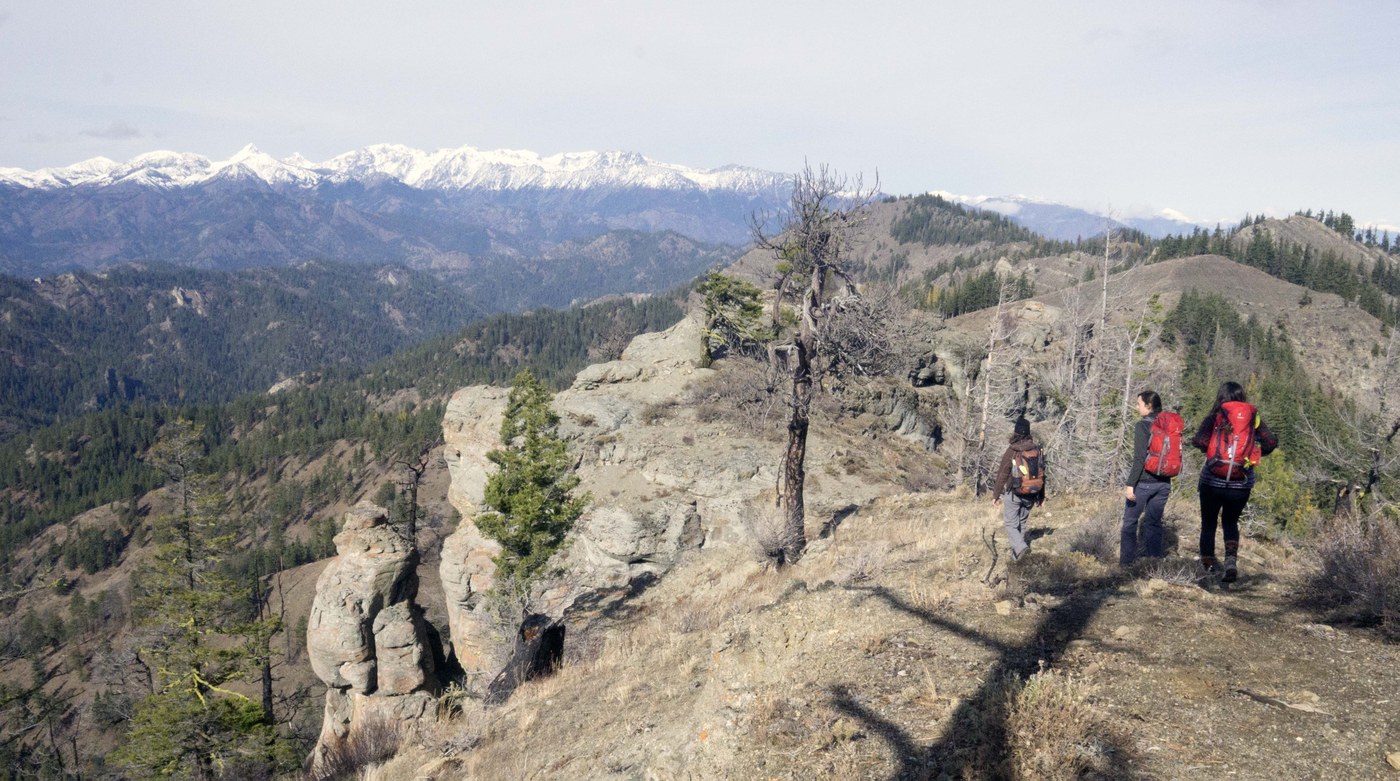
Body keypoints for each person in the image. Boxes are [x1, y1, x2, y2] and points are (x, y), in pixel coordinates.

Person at [1190, 381, 1277, 582]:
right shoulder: (1253, 417)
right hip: (1241, 482)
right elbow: (1270, 442)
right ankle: (1230, 563)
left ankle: (1208, 567)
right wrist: (1254, 450)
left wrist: (1213, 449)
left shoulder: (1215, 416)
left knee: (1209, 523)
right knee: (1230, 522)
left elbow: (1199, 441)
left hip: (1212, 481)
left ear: (1221, 397)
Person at [1121, 390, 1171, 566]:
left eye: (1139, 404)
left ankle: (1126, 565)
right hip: (1164, 483)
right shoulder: (1168, 424)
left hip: (1144, 482)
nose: (1136, 407)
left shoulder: (1142, 426)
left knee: (1129, 523)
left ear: (1149, 406)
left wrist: (1130, 484)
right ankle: (1153, 564)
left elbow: (1139, 459)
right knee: (1154, 523)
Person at [992, 418, 1045, 562]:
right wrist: (1041, 497)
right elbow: (1042, 474)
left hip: (1014, 493)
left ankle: (1021, 549)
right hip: (1032, 494)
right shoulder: (1036, 450)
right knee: (1021, 524)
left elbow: (1002, 474)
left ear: (1015, 432)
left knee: (1010, 524)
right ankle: (1017, 560)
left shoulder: (1012, 451)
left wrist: (996, 495)